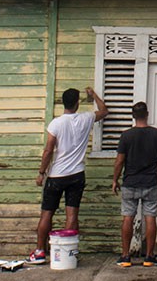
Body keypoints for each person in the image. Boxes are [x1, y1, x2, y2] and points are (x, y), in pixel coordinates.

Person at [29, 86, 108, 264]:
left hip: (57, 175)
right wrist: (93, 94)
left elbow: (48, 150)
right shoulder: (86, 118)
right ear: (77, 103)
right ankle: (67, 253)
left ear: (63, 103)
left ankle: (40, 251)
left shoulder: (56, 123)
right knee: (71, 215)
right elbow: (104, 110)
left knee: (47, 214)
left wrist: (41, 173)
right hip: (77, 175)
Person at [111, 101, 157, 267]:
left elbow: (119, 161)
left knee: (128, 217)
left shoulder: (126, 135)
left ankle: (125, 256)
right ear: (147, 114)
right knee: (150, 217)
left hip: (130, 183)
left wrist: (115, 179)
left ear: (133, 116)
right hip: (151, 182)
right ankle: (149, 256)